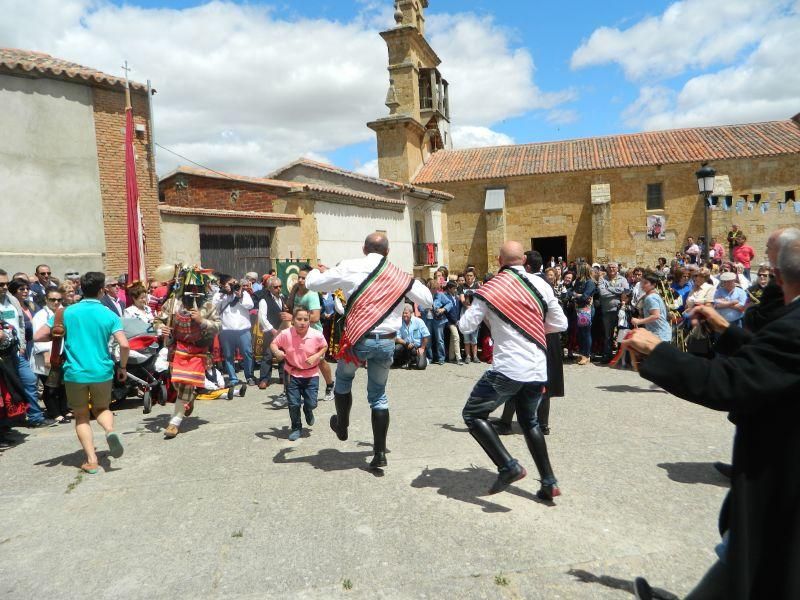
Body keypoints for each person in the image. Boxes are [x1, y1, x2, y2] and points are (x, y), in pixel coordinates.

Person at [627, 228, 800, 600]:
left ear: (781, 276)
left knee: (754, 551)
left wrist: (658, 352)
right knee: (742, 549)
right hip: (775, 473)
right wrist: (724, 328)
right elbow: (770, 360)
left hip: (783, 475)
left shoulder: (795, 324)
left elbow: (728, 382)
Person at [305, 232, 433, 469]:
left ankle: (342, 425)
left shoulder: (350, 266)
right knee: (378, 395)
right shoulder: (398, 275)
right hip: (386, 342)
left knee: (343, 378)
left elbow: (311, 283)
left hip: (357, 341)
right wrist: (406, 283)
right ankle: (379, 453)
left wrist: (317, 271)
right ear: (387, 251)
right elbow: (427, 301)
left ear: (364, 249)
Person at [459, 241, 567, 499]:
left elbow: (465, 326)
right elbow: (560, 323)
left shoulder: (490, 289)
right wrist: (532, 330)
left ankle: (508, 466)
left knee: (473, 414)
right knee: (530, 422)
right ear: (523, 260)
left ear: (499, 261)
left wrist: (480, 309)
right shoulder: (541, 284)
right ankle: (549, 482)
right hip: (537, 367)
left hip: (508, 368)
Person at [34, 272, 129, 473]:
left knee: (81, 416)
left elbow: (38, 336)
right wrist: (122, 367)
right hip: (102, 371)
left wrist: (61, 336)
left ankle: (92, 460)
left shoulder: (66, 313)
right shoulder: (109, 314)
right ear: (102, 290)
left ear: (81, 289)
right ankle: (110, 431)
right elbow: (124, 344)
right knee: (102, 408)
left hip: (74, 373)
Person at [156, 267, 221, 439]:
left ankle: (174, 423)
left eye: (198, 289)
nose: (194, 292)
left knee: (185, 384)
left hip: (197, 350)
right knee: (178, 384)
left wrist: (202, 320)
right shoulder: (172, 304)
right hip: (176, 349)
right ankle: (188, 399)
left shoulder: (209, 306)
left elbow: (219, 326)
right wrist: (161, 328)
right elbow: (158, 320)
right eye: (190, 289)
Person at [0, 269, 54, 427]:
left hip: (16, 352)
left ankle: (35, 417)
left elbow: (21, 323)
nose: (4, 287)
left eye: (6, 283)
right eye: (0, 284)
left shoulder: (11, 300)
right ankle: (6, 424)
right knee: (5, 391)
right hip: (2, 356)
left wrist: (22, 344)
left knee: (29, 380)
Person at [270, 307, 328, 441]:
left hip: (311, 375)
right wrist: (277, 352)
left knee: (312, 403)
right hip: (291, 374)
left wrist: (317, 356)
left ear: (309, 321)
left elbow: (324, 346)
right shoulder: (286, 334)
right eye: (299, 319)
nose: (302, 322)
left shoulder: (316, 334)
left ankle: (308, 410)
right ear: (293, 320)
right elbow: (273, 344)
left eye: (305, 319)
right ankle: (296, 427)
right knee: (293, 404)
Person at [288, 266, 334, 401]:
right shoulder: (296, 290)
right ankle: (291, 390)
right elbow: (289, 307)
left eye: (304, 278)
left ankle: (330, 385)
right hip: (299, 332)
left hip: (314, 333)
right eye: (299, 277)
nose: (301, 280)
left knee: (319, 361)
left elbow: (315, 318)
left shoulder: (312, 294)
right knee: (293, 360)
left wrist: (292, 319)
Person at [30, 288, 70, 423]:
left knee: (63, 384)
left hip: (61, 353)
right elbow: (38, 337)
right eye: (53, 299)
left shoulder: (64, 313)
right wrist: (47, 355)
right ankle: (54, 412)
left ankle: (65, 409)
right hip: (47, 355)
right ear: (46, 300)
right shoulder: (41, 315)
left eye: (59, 299)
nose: (56, 302)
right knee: (51, 385)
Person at [213, 274, 256, 386]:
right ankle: (233, 378)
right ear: (223, 285)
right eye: (229, 284)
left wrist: (240, 296)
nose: (232, 285)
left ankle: (249, 376)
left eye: (233, 283)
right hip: (226, 330)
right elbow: (213, 308)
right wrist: (222, 295)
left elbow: (250, 305)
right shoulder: (219, 295)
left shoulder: (243, 293)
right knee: (228, 355)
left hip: (243, 329)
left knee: (248, 353)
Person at [256, 276, 291, 391]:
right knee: (268, 355)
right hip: (270, 332)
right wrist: (272, 330)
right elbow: (262, 318)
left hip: (284, 331)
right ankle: (264, 379)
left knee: (284, 353)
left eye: (280, 286)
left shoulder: (284, 298)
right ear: (269, 287)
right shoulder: (264, 300)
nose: (279, 289)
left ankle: (283, 376)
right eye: (276, 287)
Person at [597, 261, 629, 363]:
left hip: (620, 311)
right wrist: (617, 292)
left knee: (622, 334)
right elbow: (602, 293)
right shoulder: (602, 279)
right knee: (608, 335)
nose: (611, 269)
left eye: (614, 267)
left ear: (617, 269)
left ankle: (621, 356)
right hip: (607, 310)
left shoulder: (622, 279)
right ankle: (607, 355)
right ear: (607, 269)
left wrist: (609, 288)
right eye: (610, 267)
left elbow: (626, 291)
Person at [631, 272, 672, 342]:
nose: (642, 285)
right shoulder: (653, 295)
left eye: (645, 283)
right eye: (641, 283)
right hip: (660, 334)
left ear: (654, 284)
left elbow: (656, 316)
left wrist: (638, 321)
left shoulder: (651, 298)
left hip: (659, 335)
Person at [393, 304, 430, 368]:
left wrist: (422, 348)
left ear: (411, 313)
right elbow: (397, 338)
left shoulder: (419, 321)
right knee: (397, 348)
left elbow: (426, 335)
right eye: (403, 313)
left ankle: (422, 359)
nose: (404, 315)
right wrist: (407, 343)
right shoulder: (399, 323)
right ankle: (404, 361)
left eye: (406, 313)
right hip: (406, 346)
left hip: (418, 347)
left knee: (421, 366)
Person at [572, 263, 595, 365]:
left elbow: (585, 296)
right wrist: (577, 295)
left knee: (586, 333)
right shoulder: (578, 281)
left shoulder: (590, 282)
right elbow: (572, 292)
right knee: (580, 333)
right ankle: (581, 354)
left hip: (586, 309)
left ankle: (587, 355)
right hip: (578, 309)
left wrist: (577, 295)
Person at [443, 280, 463, 364]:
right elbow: (449, 311)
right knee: (456, 337)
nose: (456, 290)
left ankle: (451, 357)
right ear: (449, 288)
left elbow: (458, 309)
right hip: (450, 321)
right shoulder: (445, 297)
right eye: (454, 288)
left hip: (456, 320)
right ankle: (458, 357)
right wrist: (455, 321)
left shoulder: (456, 297)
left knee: (452, 338)